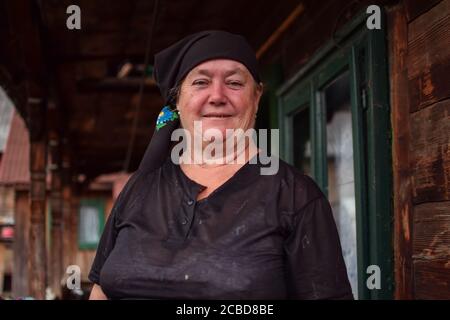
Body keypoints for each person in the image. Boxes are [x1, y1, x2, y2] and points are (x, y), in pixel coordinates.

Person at [88, 30, 353, 300]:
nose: (217, 95)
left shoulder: (296, 196)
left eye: (234, 83)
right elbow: (101, 291)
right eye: (201, 82)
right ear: (177, 100)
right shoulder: (139, 188)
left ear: (257, 97)